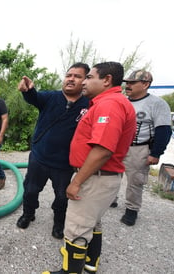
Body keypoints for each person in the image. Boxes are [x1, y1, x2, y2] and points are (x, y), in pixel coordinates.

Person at [43, 62, 136, 274]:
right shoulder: (107, 102)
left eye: (89, 77)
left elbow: (103, 149)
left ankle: (70, 271)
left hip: (95, 178)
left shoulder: (109, 105)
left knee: (76, 228)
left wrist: (76, 182)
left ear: (107, 80)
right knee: (92, 222)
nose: (84, 82)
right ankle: (90, 261)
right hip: (101, 178)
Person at [16, 62, 90, 240]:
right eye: (69, 75)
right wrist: (28, 90)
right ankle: (28, 214)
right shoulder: (50, 97)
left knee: (62, 197)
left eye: (77, 76)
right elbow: (34, 98)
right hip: (39, 158)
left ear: (85, 81)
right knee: (31, 190)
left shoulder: (89, 104)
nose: (71, 79)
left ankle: (58, 223)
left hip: (64, 164)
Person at [113, 70, 171, 226]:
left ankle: (131, 210)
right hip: (118, 146)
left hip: (139, 148)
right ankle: (111, 199)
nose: (128, 85)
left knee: (135, 180)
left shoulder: (157, 104)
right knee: (112, 174)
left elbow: (164, 130)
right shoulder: (122, 101)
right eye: (127, 82)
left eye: (132, 83)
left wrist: (156, 153)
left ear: (145, 84)